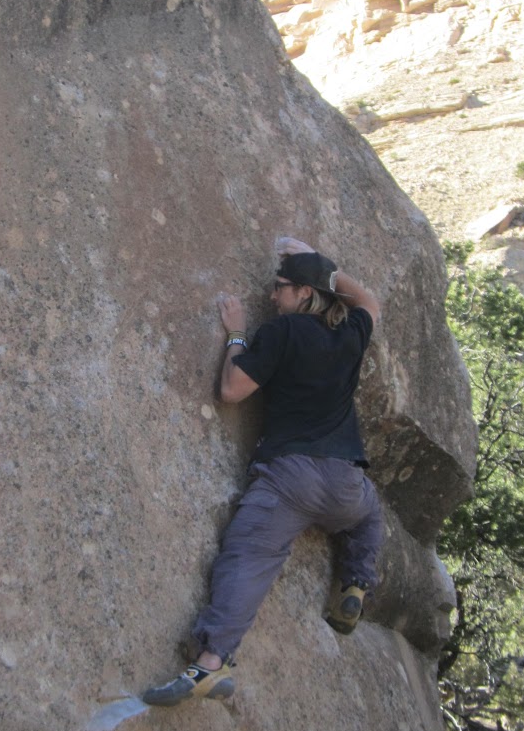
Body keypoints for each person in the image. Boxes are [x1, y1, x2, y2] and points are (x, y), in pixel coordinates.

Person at [143, 237, 385, 707]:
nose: (273, 296)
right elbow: (369, 301)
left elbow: (232, 390)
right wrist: (319, 260)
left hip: (289, 478)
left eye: (281, 287)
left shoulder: (281, 332)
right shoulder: (351, 334)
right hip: (345, 481)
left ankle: (211, 664)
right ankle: (356, 581)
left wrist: (236, 334)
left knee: (247, 558)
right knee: (369, 513)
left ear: (303, 294)